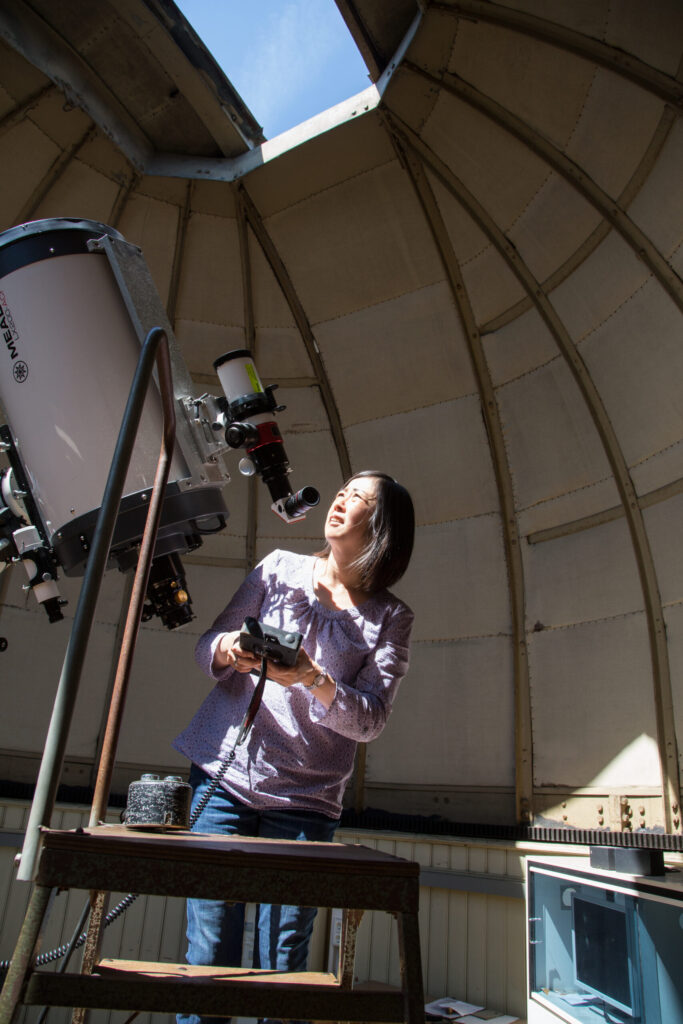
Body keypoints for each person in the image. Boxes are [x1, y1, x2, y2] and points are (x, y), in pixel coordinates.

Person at [173, 470, 415, 1024]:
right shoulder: (278, 568)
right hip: (223, 780)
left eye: (358, 498)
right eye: (343, 489)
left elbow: (372, 719)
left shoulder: (391, 618)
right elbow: (204, 647)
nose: (339, 499)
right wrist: (230, 649)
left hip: (305, 802)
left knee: (283, 964)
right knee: (208, 953)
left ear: (381, 528)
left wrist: (311, 678)